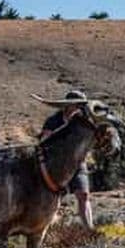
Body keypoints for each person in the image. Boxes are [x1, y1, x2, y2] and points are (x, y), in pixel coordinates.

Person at [40, 89, 94, 229]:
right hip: (55, 166)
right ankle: (49, 228)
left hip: (77, 164)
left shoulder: (85, 122)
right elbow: (44, 142)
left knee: (83, 195)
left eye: (81, 105)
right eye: (76, 105)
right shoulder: (53, 121)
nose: (78, 108)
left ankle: (89, 229)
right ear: (68, 105)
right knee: (53, 198)